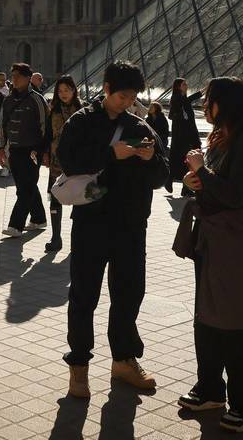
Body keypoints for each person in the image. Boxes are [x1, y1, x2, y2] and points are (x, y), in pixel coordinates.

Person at [58, 60, 165, 398]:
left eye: (132, 97)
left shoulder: (141, 126)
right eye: (121, 96)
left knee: (129, 293)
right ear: (106, 89)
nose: (127, 102)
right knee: (84, 296)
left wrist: (150, 160)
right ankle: (79, 367)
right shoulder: (82, 122)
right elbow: (68, 160)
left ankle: (123, 359)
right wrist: (110, 154)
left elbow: (163, 175)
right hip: (92, 224)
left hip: (132, 225)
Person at [179, 77, 243, 434]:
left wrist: (202, 172)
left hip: (239, 241)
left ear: (227, 103)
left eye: (210, 100)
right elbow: (218, 184)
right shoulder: (222, 136)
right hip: (215, 237)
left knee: (241, 322)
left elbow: (235, 195)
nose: (204, 106)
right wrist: (197, 179)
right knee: (207, 314)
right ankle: (210, 389)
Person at [0, 63, 50, 238]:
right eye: (12, 76)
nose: (14, 79)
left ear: (28, 78)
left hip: (32, 150)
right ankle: (39, 218)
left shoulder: (37, 99)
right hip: (14, 150)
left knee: (25, 188)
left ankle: (16, 225)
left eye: (18, 76)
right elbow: (2, 125)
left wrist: (43, 150)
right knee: (25, 185)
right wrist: (1, 147)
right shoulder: (8, 100)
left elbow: (45, 126)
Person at [42, 75, 81, 253]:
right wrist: (45, 153)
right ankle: (56, 237)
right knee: (55, 197)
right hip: (57, 160)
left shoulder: (83, 109)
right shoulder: (54, 109)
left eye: (67, 90)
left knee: (80, 199)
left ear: (74, 90)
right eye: (60, 91)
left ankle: (78, 239)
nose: (63, 94)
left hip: (78, 161)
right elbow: (48, 133)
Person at [169, 78, 200, 193]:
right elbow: (186, 101)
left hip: (189, 135)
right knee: (186, 160)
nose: (186, 85)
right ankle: (182, 185)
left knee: (187, 160)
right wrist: (202, 92)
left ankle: (182, 185)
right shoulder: (177, 99)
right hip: (182, 136)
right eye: (184, 84)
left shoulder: (184, 100)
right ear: (178, 87)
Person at [145, 101, 171, 193]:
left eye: (152, 107)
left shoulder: (162, 118)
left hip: (160, 141)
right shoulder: (148, 119)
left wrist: (159, 139)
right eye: (150, 106)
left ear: (156, 108)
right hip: (151, 142)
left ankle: (167, 179)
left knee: (162, 160)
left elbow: (166, 131)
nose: (150, 108)